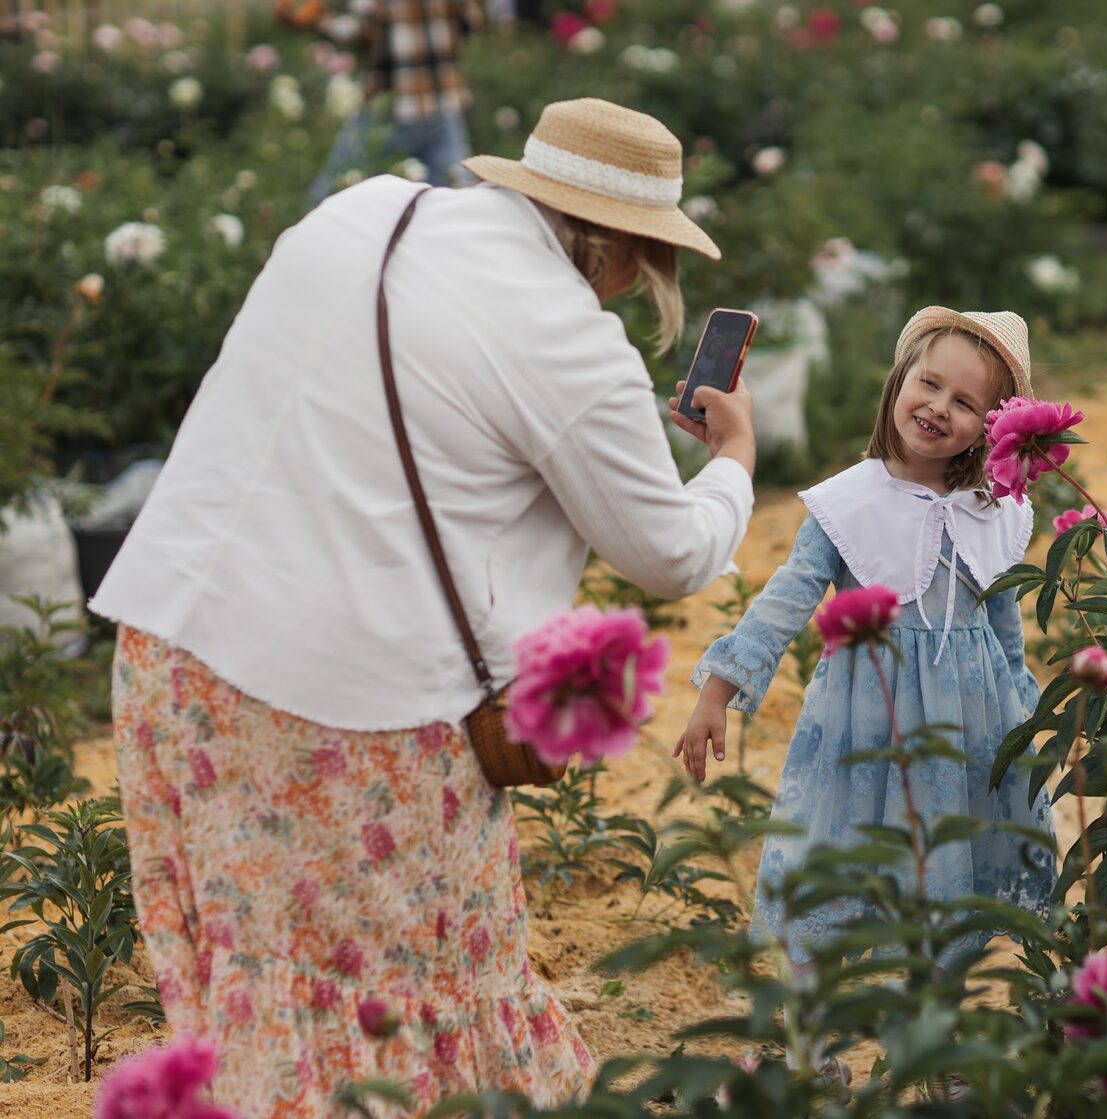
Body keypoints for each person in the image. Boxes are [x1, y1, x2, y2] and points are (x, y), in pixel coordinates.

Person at [89, 98, 755, 1116]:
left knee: (250, 987)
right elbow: (668, 553)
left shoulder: (357, 215)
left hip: (177, 649)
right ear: (629, 252)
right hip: (351, 714)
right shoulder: (573, 346)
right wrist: (735, 467)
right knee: (407, 1004)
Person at [675, 307, 1057, 969]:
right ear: (899, 380)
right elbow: (787, 598)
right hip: (866, 725)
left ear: (993, 425)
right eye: (929, 384)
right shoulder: (849, 501)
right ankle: (812, 1050)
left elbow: (1006, 626)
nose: (938, 407)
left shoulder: (995, 511)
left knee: (949, 879)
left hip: (968, 728)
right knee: (836, 869)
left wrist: (1027, 724)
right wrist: (718, 689)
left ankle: (928, 1038)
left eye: (965, 402)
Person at [308, 0, 482, 205]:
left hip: (393, 108)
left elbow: (355, 29)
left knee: (334, 193)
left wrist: (318, 22)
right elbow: (470, 23)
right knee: (454, 200)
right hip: (443, 106)